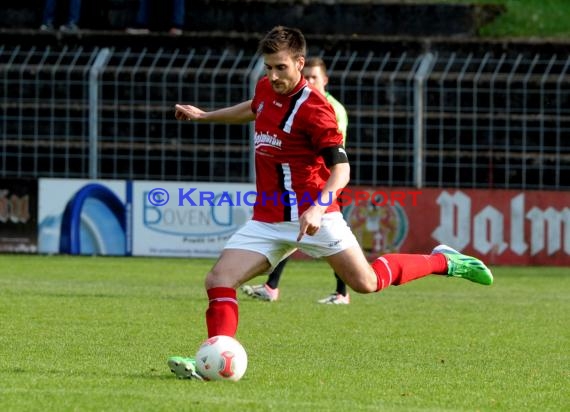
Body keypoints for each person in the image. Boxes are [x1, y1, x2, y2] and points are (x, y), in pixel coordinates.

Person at [167, 26, 493, 379]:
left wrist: (319, 207)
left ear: (299, 63)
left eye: (280, 68)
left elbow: (342, 170)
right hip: (268, 218)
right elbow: (255, 107)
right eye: (268, 68)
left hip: (315, 217)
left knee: (366, 283)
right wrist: (205, 115)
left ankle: (442, 261)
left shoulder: (316, 110)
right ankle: (214, 358)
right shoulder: (265, 89)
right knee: (218, 278)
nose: (273, 76)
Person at [241, 57, 351, 305]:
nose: (310, 81)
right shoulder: (282, 97)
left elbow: (335, 154)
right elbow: (254, 107)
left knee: (340, 251)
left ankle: (342, 293)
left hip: (323, 184)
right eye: (308, 77)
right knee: (287, 236)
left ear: (324, 80)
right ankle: (271, 286)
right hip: (294, 188)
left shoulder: (329, 109)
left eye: (314, 77)